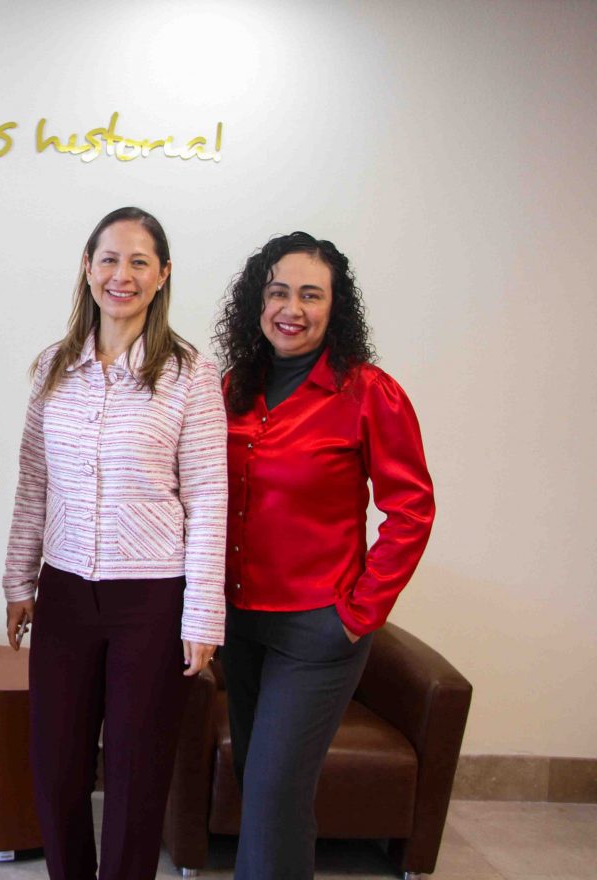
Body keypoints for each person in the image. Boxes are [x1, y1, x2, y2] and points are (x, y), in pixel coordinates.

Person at [2, 206, 227, 880]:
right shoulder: (53, 367)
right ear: (87, 267)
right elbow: (34, 482)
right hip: (66, 593)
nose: (120, 275)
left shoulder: (191, 374)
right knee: (56, 769)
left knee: (135, 777)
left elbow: (209, 497)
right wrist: (19, 581)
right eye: (108, 259)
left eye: (138, 262)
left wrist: (202, 614)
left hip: (152, 603)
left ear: (162, 275)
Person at [213, 232, 435, 880]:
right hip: (239, 624)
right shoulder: (232, 387)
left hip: (317, 630)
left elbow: (412, 510)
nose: (292, 308)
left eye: (311, 295)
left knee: (274, 792)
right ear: (257, 302)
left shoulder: (369, 392)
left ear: (335, 308)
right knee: (263, 788)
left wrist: (358, 614)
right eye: (278, 292)